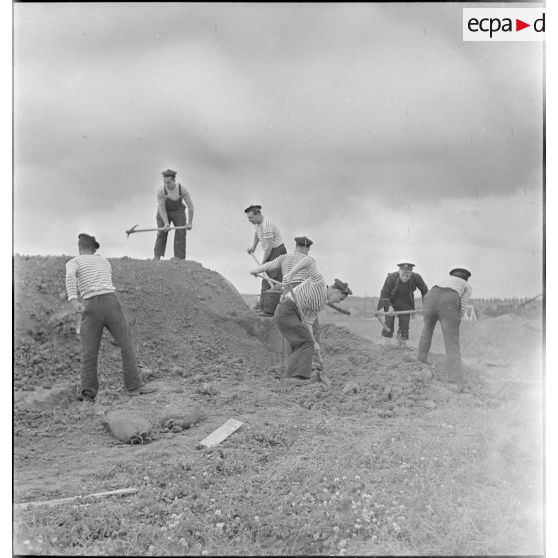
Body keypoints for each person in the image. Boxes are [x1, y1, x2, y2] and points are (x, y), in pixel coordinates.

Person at [66, 233, 157, 402]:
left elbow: (70, 277)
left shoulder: (74, 262)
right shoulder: (104, 261)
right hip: (111, 303)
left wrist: (73, 300)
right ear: (94, 249)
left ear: (80, 248)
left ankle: (88, 396)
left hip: (91, 306)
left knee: (89, 352)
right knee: (126, 344)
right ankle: (134, 386)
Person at [275, 255, 352, 384]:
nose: (337, 303)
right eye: (340, 299)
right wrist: (291, 274)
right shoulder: (319, 283)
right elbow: (308, 261)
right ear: (336, 292)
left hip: (292, 313)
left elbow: (308, 323)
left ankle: (297, 376)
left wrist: (315, 341)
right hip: (287, 310)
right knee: (305, 342)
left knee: (307, 341)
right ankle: (293, 377)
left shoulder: (320, 304)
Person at [417, 268, 472, 391]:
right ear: (466, 278)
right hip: (448, 300)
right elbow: (463, 305)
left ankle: (420, 361)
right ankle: (454, 381)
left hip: (429, 297)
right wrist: (458, 317)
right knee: (451, 341)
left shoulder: (444, 280)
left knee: (427, 329)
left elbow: (430, 295)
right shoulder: (466, 285)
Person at [249, 236, 314, 314]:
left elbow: (267, 266)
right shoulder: (310, 260)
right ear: (305, 248)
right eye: (308, 250)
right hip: (302, 295)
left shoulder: (283, 258)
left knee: (284, 313)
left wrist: (254, 271)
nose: (308, 252)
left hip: (287, 294)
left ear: (296, 246)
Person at [245, 204, 287, 314]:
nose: (249, 220)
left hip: (277, 252)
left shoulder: (267, 225)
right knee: (265, 280)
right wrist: (253, 247)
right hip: (271, 252)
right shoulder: (258, 224)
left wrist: (262, 264)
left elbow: (268, 247)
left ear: (258, 215)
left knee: (273, 280)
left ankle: (270, 311)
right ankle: (263, 308)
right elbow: (257, 234)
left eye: (251, 218)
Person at [377, 262, 428, 345]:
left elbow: (425, 291)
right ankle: (386, 346)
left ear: (411, 274)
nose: (404, 277)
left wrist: (426, 306)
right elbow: (384, 293)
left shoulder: (416, 278)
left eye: (407, 275)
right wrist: (389, 306)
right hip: (390, 301)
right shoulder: (391, 277)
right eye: (402, 275)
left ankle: (402, 347)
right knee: (389, 323)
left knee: (404, 326)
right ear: (399, 272)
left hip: (406, 303)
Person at [153, 169, 194, 260]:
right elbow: (162, 208)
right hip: (164, 212)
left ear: (174, 180)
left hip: (178, 212)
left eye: (169, 182)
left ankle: (179, 259)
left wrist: (190, 222)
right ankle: (157, 256)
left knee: (181, 233)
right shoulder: (161, 191)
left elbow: (190, 206)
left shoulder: (181, 189)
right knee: (161, 233)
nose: (167, 185)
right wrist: (166, 224)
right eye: (165, 182)